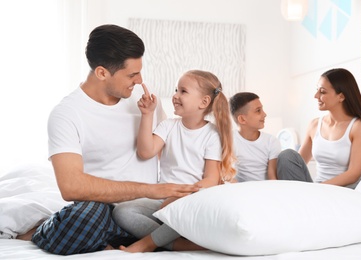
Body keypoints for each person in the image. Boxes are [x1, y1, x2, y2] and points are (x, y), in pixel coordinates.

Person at [24, 24, 198, 255]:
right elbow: (71, 186)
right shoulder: (67, 114)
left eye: (139, 71)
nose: (139, 80)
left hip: (146, 209)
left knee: (198, 216)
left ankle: (112, 241)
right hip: (101, 210)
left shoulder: (143, 100)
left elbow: (170, 146)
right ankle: (41, 230)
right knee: (82, 221)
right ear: (102, 72)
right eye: (132, 74)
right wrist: (149, 189)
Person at [113, 70, 236, 253]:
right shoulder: (168, 126)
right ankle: (182, 243)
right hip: (163, 199)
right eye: (176, 89)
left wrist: (180, 197)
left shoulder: (212, 135)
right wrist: (148, 114)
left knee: (184, 213)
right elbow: (146, 151)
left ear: (204, 102)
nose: (175, 96)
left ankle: (148, 243)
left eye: (183, 91)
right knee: (122, 211)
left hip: (192, 200)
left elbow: (210, 180)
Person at [277, 68, 361, 189]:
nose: (316, 96)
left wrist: (319, 188)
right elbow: (297, 162)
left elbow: (353, 174)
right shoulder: (314, 125)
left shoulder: (357, 127)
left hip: (341, 192)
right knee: (287, 155)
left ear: (341, 96)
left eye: (322, 92)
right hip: (316, 189)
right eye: (317, 90)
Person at [229, 92, 281, 181]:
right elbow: (226, 173)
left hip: (265, 189)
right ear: (242, 119)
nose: (264, 114)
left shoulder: (271, 141)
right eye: (258, 110)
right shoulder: (229, 139)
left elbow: (272, 177)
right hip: (240, 190)